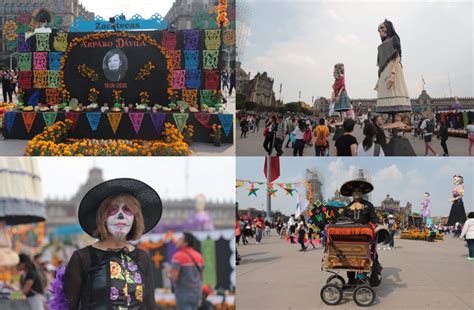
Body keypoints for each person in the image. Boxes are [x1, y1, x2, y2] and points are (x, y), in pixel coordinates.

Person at [61, 178, 161, 309]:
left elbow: (149, 305)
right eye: (113, 210)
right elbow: (67, 306)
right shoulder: (83, 258)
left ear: (135, 218)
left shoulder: (142, 257)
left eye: (127, 210)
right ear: (103, 217)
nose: (120, 216)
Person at [340, 179, 379, 285]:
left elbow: (374, 218)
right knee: (349, 258)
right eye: (354, 192)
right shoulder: (347, 207)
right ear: (352, 194)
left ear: (362, 193)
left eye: (359, 191)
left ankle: (361, 279)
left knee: (363, 258)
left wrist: (378, 226)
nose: (357, 193)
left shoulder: (368, 205)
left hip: (364, 237)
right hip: (350, 238)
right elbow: (341, 220)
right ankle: (351, 280)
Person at [374, 19, 411, 114]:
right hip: (384, 71)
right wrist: (379, 80)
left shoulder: (394, 39)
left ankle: (398, 117)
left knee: (395, 92)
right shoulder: (381, 46)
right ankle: (391, 119)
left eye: (382, 28)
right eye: (378, 30)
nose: (380, 31)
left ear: (388, 28)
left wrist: (393, 72)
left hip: (393, 67)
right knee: (387, 95)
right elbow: (381, 65)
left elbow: (398, 56)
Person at [168, 232, 205, 310]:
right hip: (197, 293)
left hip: (183, 293)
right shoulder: (199, 256)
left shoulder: (178, 256)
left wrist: (168, 274)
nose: (177, 240)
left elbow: (174, 277)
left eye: (181, 239)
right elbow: (201, 277)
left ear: (186, 243)